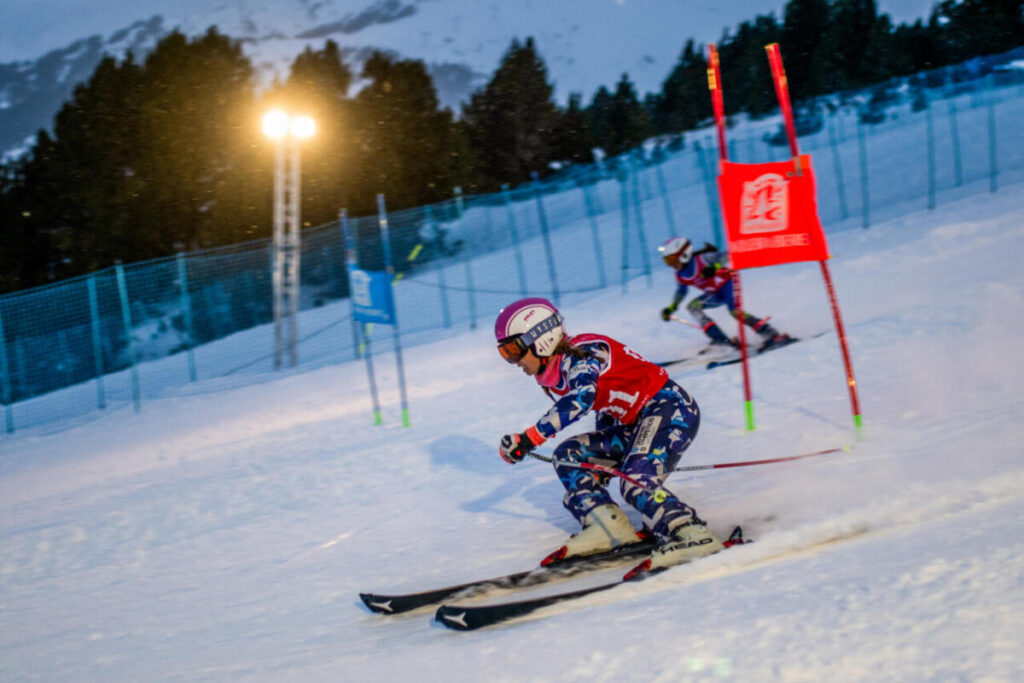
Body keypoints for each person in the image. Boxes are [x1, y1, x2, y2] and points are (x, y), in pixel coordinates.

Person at [494, 296, 724, 574]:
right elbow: (608, 404)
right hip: (636, 423)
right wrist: (603, 458)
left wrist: (530, 437)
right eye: (505, 353)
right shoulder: (559, 371)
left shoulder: (584, 353)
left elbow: (582, 398)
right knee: (569, 456)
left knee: (636, 483)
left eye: (513, 350)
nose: (513, 361)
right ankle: (607, 526)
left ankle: (690, 532)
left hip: (669, 410)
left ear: (540, 338)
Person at [658, 236, 792, 351]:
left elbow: (727, 255)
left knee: (735, 312)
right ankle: (721, 340)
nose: (671, 265)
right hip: (714, 294)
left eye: (672, 260)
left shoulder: (702, 259)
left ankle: (772, 335)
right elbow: (681, 291)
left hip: (728, 284)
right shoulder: (680, 275)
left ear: (684, 254)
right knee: (693, 307)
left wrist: (714, 267)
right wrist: (672, 307)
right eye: (668, 262)